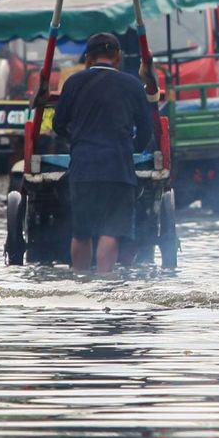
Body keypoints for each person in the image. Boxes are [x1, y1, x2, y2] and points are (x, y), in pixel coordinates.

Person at [51, 33, 155, 274]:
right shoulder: (132, 85)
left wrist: (77, 140)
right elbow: (147, 128)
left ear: (88, 58)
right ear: (118, 57)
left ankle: (80, 282)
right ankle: (104, 283)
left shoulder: (73, 83)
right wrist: (133, 150)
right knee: (111, 231)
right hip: (118, 168)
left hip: (83, 169)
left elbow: (58, 124)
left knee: (81, 232)